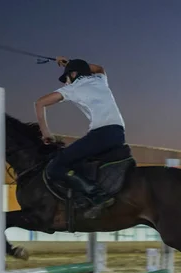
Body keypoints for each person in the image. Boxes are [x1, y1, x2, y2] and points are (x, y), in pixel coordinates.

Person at [34, 56, 126, 213]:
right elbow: (99, 68)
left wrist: (45, 132)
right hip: (118, 133)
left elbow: (39, 103)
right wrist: (69, 63)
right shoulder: (99, 80)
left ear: (74, 75)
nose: (66, 82)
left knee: (55, 167)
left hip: (101, 134)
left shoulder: (73, 88)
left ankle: (97, 195)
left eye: (67, 77)